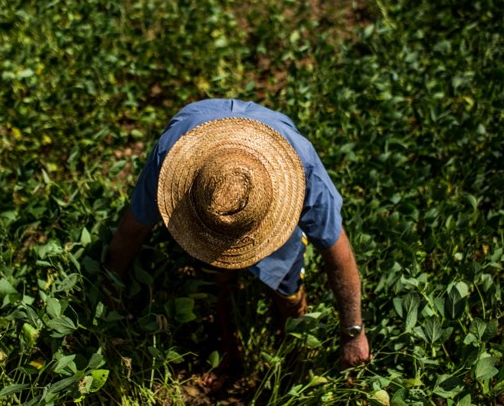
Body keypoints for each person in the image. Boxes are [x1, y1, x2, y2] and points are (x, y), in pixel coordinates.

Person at [105, 99, 371, 379]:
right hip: (199, 183)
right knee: (212, 279)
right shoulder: (171, 154)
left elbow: (338, 253)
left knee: (287, 286)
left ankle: (293, 350)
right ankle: (227, 350)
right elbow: (132, 229)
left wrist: (354, 333)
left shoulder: (302, 168)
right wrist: (109, 292)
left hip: (274, 189)